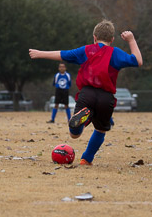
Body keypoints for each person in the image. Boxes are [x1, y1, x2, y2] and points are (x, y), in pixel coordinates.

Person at [29, 20, 142, 165]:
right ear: (112, 40)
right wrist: (131, 40)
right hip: (106, 98)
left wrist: (40, 53)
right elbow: (138, 61)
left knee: (74, 135)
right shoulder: (116, 53)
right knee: (101, 130)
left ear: (94, 37)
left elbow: (63, 54)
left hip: (86, 95)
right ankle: (86, 159)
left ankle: (80, 123)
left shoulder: (86, 50)